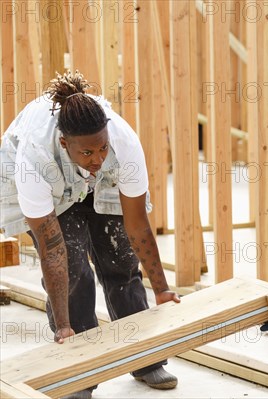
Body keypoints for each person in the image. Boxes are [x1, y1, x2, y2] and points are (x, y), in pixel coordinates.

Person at [0, 71, 180, 399]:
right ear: (65, 143)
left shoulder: (123, 144)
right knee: (73, 269)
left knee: (120, 261)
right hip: (51, 182)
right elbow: (52, 252)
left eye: (102, 149)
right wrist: (64, 323)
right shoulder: (33, 160)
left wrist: (162, 289)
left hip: (101, 184)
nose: (97, 159)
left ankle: (144, 359)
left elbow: (137, 224)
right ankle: (78, 372)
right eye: (88, 153)